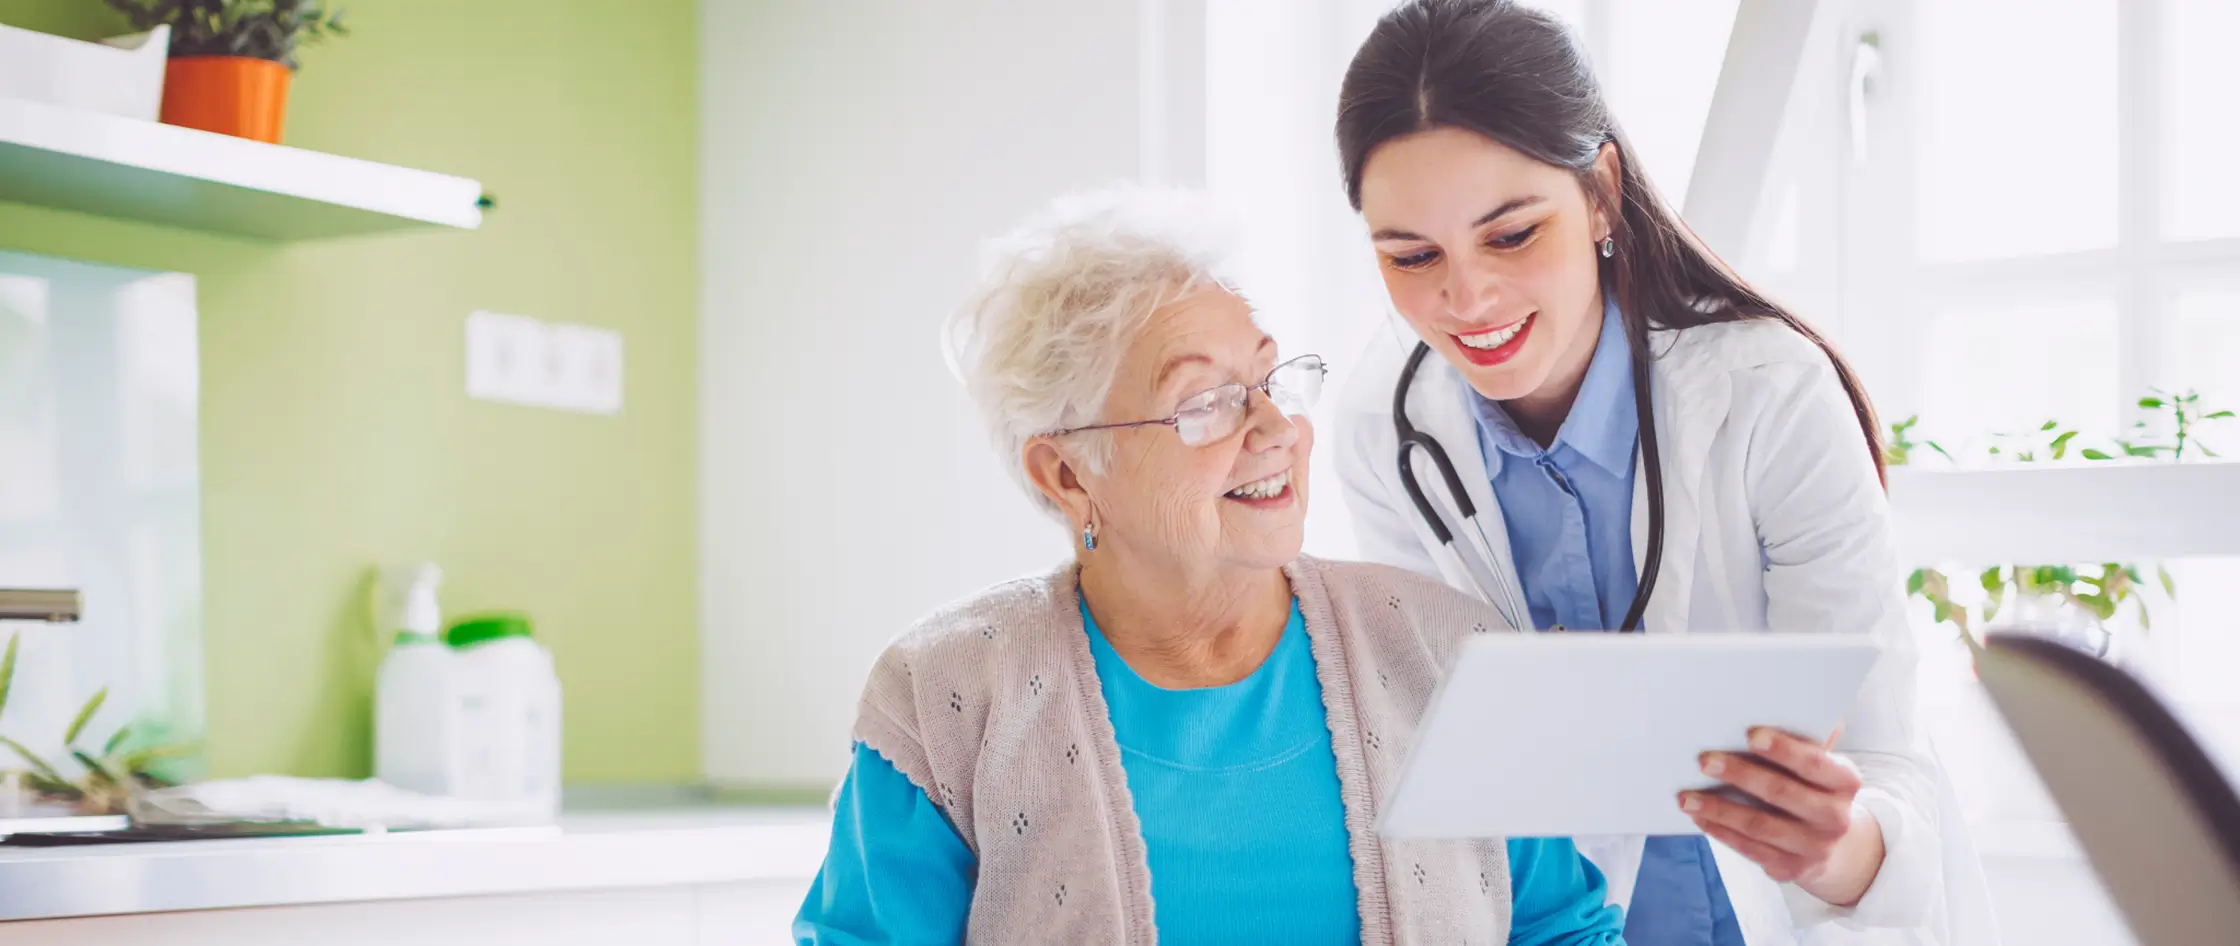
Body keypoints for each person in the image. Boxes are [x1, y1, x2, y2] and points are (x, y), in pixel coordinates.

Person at [793, 188, 1628, 945]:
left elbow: (1562, 930)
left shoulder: (1450, 653)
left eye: (1267, 379)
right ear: (1069, 475)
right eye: (1203, 403)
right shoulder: (947, 697)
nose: (1274, 429)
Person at [1328, 3, 1996, 945]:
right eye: (1411, 256)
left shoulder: (1770, 396)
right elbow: (1447, 737)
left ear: (1600, 191)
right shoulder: (1383, 432)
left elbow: (1881, 757)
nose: (1465, 299)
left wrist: (1833, 846)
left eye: (1512, 235)